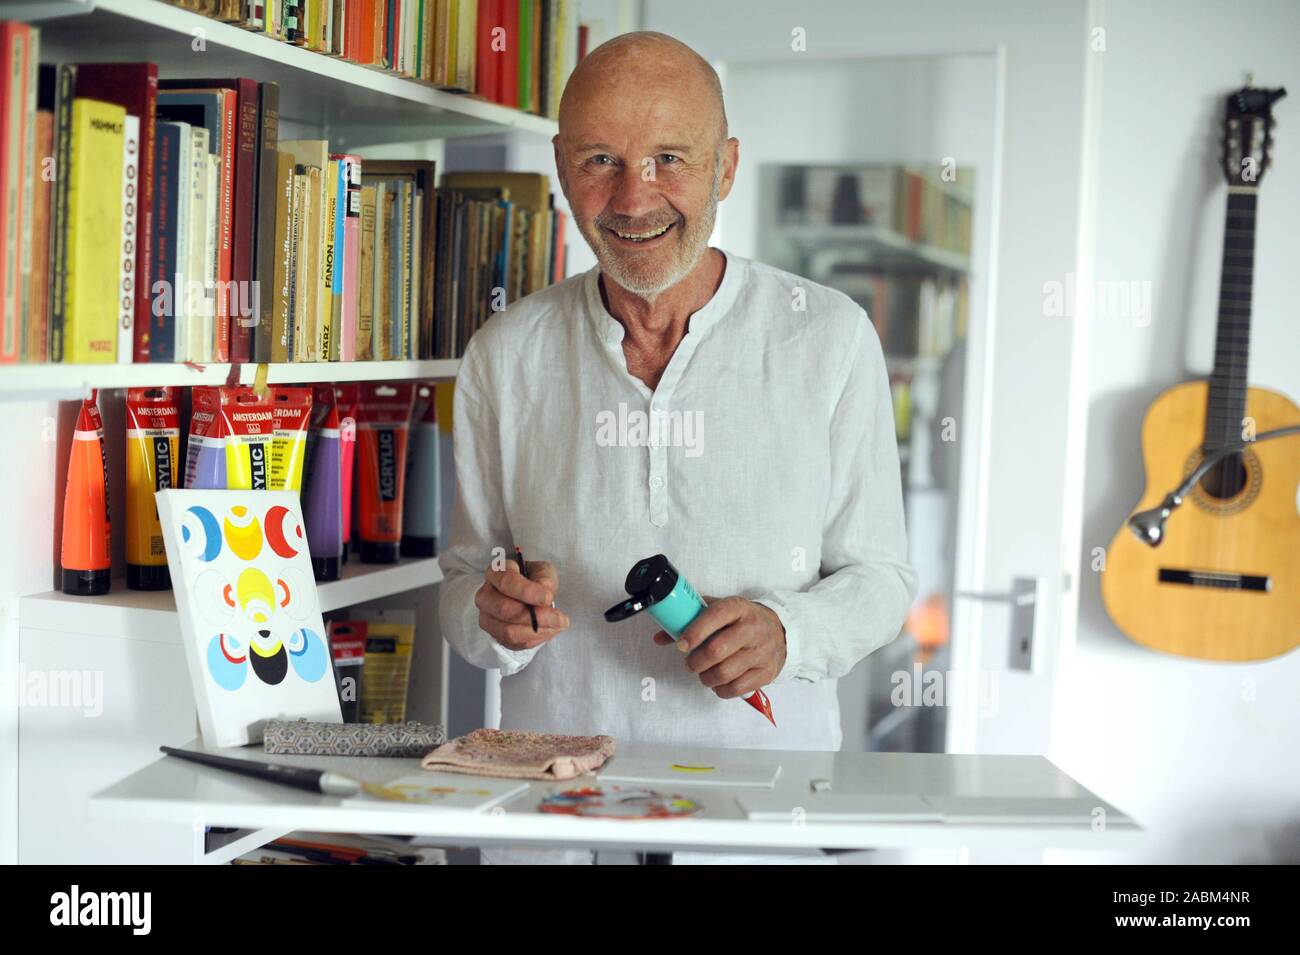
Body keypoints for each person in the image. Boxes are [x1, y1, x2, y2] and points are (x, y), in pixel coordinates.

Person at [438, 31, 918, 863]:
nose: (634, 197)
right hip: (554, 818)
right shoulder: (503, 353)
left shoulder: (830, 337)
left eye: (670, 157)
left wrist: (789, 632)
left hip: (764, 819)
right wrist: (490, 617)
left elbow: (883, 579)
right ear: (559, 166)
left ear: (727, 167)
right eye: (600, 160)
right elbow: (461, 580)